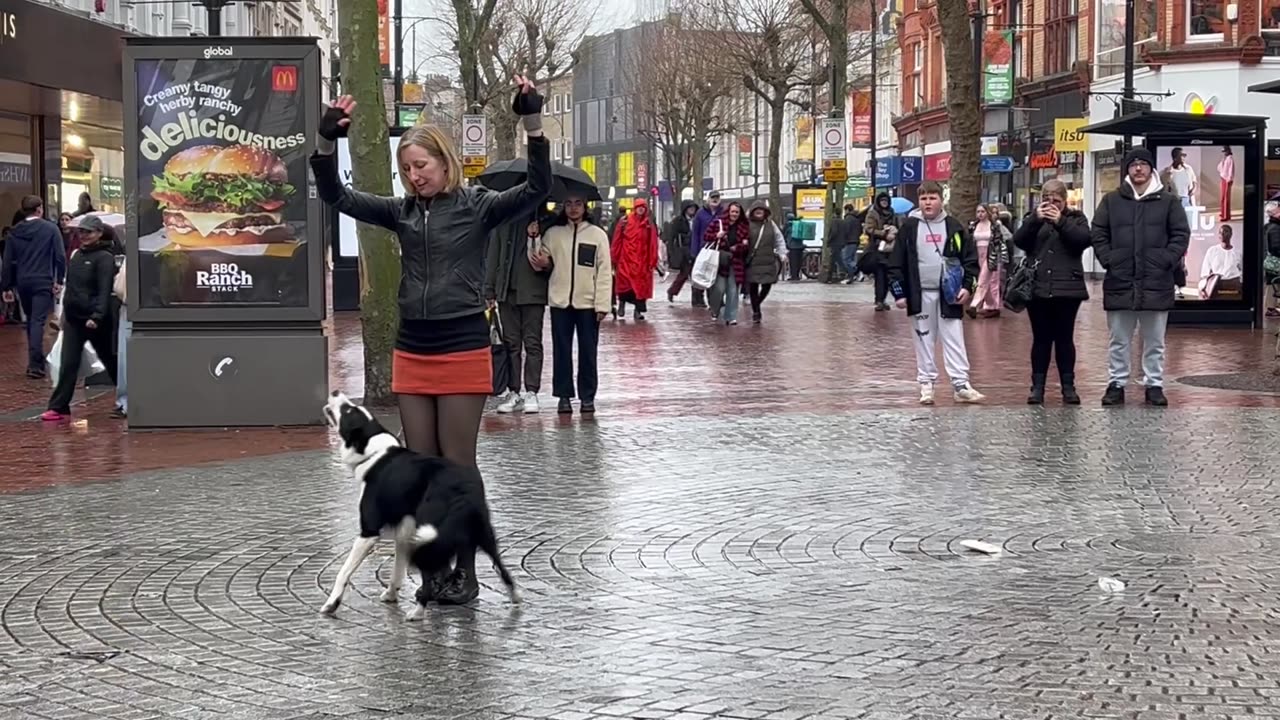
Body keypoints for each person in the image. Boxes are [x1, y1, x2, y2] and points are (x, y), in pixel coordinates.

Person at [312, 77, 549, 606]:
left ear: (445, 162)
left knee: (457, 461)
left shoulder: (478, 206)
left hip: (463, 343)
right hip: (413, 348)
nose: (414, 176)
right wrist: (327, 141)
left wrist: (532, 120)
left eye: (422, 166)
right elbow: (335, 195)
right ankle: (432, 571)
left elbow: (536, 188)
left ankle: (465, 573)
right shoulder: (401, 213)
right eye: (406, 170)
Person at [1091, 146, 1190, 407]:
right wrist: (1109, 258)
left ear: (1151, 169)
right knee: (1119, 339)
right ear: (1127, 169)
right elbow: (1098, 231)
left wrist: (1165, 259)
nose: (1138, 168)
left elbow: (1181, 234)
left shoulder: (1168, 201)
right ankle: (1116, 384)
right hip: (1121, 279)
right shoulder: (1111, 201)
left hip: (1156, 281)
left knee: (1155, 340)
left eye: (1143, 164)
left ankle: (1154, 384)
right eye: (1133, 164)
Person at [887, 181, 984, 405]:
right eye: (923, 199)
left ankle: (961, 384)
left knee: (954, 338)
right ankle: (926, 383)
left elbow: (969, 260)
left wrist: (967, 287)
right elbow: (895, 263)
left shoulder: (954, 227)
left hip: (948, 295)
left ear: (941, 200)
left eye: (932, 198)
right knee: (923, 339)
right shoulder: (909, 228)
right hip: (919, 295)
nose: (927, 203)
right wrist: (899, 293)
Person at [1011, 179, 1091, 405]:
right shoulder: (1033, 219)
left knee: (1065, 339)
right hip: (1038, 289)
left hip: (1068, 289)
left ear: (1065, 201)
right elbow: (1020, 241)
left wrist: (1061, 222)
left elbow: (1082, 241)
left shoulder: (1076, 219)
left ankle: (1068, 386)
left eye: (1056, 200)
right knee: (1041, 339)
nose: (1051, 204)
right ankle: (1037, 387)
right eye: (1047, 199)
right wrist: (1036, 220)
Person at [41, 215, 117, 421]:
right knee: (68, 362)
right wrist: (64, 314)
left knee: (110, 360)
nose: (83, 235)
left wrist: (98, 316)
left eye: (88, 232)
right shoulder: (76, 255)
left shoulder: (104, 258)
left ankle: (129, 396)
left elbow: (104, 289)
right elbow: (70, 288)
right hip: (74, 319)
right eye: (81, 232)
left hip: (95, 320)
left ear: (99, 234)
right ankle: (58, 407)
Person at [541, 195, 612, 415]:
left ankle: (587, 396)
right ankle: (564, 396)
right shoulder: (553, 234)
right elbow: (540, 259)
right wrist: (535, 242)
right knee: (561, 351)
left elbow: (604, 272)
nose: (573, 208)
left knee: (588, 352)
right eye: (569, 203)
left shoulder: (597, 235)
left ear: (585, 206)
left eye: (577, 203)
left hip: (588, 303)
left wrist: (602, 304)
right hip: (560, 302)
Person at [485, 211, 551, 414]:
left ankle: (532, 390)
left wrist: (535, 237)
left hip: (533, 291)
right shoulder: (503, 221)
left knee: (532, 342)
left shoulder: (545, 220)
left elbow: (549, 261)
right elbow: (493, 255)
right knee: (511, 343)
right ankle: (514, 390)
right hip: (507, 291)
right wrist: (489, 288)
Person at [1, 195, 66, 380]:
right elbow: (60, 256)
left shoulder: (15, 231)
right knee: (37, 320)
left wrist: (6, 287)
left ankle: (34, 358)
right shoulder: (50, 229)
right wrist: (59, 279)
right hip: (43, 280)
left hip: (23, 281)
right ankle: (35, 364)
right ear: (39, 209)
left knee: (31, 319)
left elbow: (8, 262)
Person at [611, 197, 660, 321]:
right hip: (626, 258)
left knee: (641, 287)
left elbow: (652, 242)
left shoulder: (648, 224)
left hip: (642, 260)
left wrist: (652, 259)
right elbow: (617, 239)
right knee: (625, 284)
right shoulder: (625, 221)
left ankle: (638, 310)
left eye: (643, 207)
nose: (641, 209)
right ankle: (622, 303)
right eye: (639, 207)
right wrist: (614, 257)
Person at [703, 201, 750, 325]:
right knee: (719, 288)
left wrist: (739, 247)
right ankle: (715, 309)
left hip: (736, 261)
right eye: (732, 211)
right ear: (728, 211)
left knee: (733, 290)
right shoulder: (718, 223)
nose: (734, 214)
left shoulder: (743, 226)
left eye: (737, 212)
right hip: (719, 261)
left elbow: (746, 244)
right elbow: (706, 236)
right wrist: (716, 235)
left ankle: (731, 316)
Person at [744, 202, 786, 324]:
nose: (759, 212)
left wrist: (782, 253)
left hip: (768, 260)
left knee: (767, 285)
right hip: (752, 261)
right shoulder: (747, 224)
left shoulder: (770, 224)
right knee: (753, 286)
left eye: (761, 210)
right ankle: (756, 311)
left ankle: (756, 302)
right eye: (756, 210)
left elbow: (779, 238)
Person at [968, 203, 1012, 319]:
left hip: (991, 255)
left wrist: (999, 255)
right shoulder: (973, 225)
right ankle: (992, 306)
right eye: (978, 212)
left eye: (982, 211)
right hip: (978, 254)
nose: (980, 214)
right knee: (985, 280)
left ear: (987, 212)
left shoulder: (994, 225)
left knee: (986, 280)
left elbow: (999, 240)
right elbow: (970, 240)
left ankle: (974, 305)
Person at [860, 193, 898, 310]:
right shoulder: (873, 213)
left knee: (887, 275)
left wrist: (894, 232)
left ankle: (883, 299)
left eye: (886, 200)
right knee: (880, 275)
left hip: (890, 249)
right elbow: (869, 229)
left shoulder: (892, 213)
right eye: (882, 200)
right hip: (877, 249)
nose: (884, 202)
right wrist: (883, 233)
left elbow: (898, 226)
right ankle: (879, 300)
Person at [689, 191, 724, 308]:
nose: (715, 200)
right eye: (713, 198)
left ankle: (715, 299)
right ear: (708, 199)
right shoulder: (700, 213)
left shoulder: (723, 213)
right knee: (700, 274)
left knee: (714, 275)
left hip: (718, 249)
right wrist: (694, 251)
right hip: (703, 249)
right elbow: (695, 233)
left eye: (717, 198)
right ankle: (697, 299)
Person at [664, 200, 699, 301]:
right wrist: (672, 253)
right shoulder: (678, 221)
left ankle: (697, 298)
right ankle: (672, 291)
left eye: (693, 208)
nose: (692, 210)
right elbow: (671, 237)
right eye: (690, 208)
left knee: (695, 275)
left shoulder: (697, 220)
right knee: (685, 274)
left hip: (696, 250)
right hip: (684, 251)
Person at [1198, 223, 1242, 300]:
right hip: (1216, 285)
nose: (1222, 234)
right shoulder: (1212, 251)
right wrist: (1202, 288)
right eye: (1220, 232)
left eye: (1225, 231)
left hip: (1234, 286)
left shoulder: (1237, 253)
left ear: (1231, 234)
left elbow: (1242, 271)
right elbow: (1205, 272)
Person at [112, 253, 129, 419]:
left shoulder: (132, 255)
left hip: (129, 307)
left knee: (125, 358)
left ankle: (124, 403)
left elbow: (119, 288)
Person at [826, 203, 860, 283]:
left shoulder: (846, 219)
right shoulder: (855, 219)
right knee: (845, 259)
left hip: (845, 242)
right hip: (853, 241)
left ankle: (856, 271)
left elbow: (837, 232)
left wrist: (829, 240)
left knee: (845, 260)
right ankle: (850, 274)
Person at [1265, 201, 1280, 317]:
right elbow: (1276, 247)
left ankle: (1271, 307)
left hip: (1270, 261)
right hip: (1276, 261)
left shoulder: (1268, 227)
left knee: (1272, 283)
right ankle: (1271, 308)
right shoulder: (1275, 228)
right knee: (1273, 283)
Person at [782, 211, 804, 281]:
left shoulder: (787, 225)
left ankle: (793, 276)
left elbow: (783, 234)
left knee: (793, 262)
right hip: (800, 246)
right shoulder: (798, 224)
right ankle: (797, 275)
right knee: (798, 261)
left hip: (792, 246)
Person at [1218, 147, 1235, 221]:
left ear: (1228, 151)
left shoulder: (1230, 159)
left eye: (1225, 151)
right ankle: (1223, 212)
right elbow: (1219, 168)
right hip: (1223, 178)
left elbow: (1231, 170)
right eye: (1223, 151)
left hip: (1227, 180)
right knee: (1222, 197)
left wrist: (1229, 179)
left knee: (1226, 198)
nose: (1224, 153)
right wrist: (1222, 161)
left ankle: (1226, 216)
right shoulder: (1225, 159)